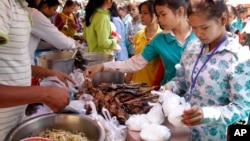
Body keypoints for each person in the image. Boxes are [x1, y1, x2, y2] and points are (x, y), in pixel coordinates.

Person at [164, 0, 250, 140]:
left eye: (204, 27)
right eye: (194, 28)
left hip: (214, 135)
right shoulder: (192, 48)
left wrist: (207, 114)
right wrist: (170, 87)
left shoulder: (238, 58)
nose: (198, 33)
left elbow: (242, 107)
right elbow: (183, 81)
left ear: (223, 19)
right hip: (184, 131)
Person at [0, 0, 70, 140]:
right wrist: (45, 93)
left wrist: (51, 74)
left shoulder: (23, 8)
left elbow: (16, 62)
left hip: (12, 125)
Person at [84, 0, 196, 87]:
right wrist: (102, 66)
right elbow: (134, 63)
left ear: (180, 12)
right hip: (170, 98)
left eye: (163, 14)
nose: (160, 19)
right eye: (158, 15)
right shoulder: (159, 40)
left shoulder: (200, 35)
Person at [124, 0, 162, 87]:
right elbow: (135, 57)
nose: (141, 16)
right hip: (135, 84)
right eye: (141, 13)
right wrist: (129, 75)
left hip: (151, 86)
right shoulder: (138, 35)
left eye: (145, 13)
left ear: (155, 15)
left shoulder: (161, 37)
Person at [26, 0, 76, 64]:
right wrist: (74, 44)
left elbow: (36, 43)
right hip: (24, 64)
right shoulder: (33, 14)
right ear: (46, 6)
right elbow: (61, 41)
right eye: (54, 9)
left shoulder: (27, 12)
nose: (55, 13)